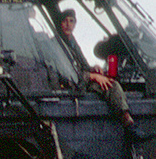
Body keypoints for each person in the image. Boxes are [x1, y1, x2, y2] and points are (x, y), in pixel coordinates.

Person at [58, 9, 144, 140]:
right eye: (65, 21)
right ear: (60, 24)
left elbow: (83, 65)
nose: (68, 24)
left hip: (82, 80)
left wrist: (94, 69)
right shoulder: (56, 44)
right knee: (112, 85)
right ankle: (129, 124)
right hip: (73, 84)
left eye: (71, 21)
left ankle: (129, 124)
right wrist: (93, 76)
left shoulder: (72, 42)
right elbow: (65, 73)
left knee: (110, 83)